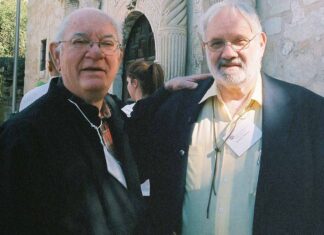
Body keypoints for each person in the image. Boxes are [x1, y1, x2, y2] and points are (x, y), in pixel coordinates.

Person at [128, 1, 324, 234]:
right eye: (217, 43)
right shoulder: (174, 111)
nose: (228, 53)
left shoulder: (309, 114)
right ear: (204, 48)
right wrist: (161, 94)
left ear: (261, 44)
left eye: (240, 41)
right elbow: (125, 154)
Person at [0, 8, 145, 234]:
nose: (95, 52)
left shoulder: (116, 118)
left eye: (107, 43)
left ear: (119, 56)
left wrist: (172, 93)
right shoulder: (23, 137)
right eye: (80, 41)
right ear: (56, 55)